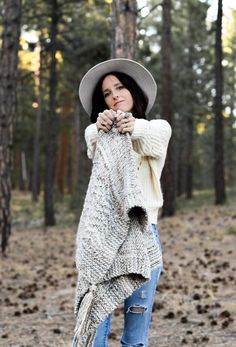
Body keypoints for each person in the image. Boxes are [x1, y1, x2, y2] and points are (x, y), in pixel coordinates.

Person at [74, 58, 172, 347]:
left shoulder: (157, 128)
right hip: (103, 241)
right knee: (95, 328)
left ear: (133, 91)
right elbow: (92, 138)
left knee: (135, 335)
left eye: (120, 87)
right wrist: (102, 126)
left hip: (143, 239)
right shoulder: (98, 133)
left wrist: (128, 125)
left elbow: (146, 137)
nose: (115, 95)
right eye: (106, 93)